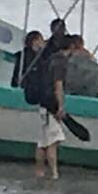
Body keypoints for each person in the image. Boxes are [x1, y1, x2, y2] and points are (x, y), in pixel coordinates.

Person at [33, 33, 69, 179]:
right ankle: (54, 172)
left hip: (43, 105)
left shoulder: (49, 60)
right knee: (53, 141)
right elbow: (58, 86)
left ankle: (39, 170)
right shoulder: (60, 62)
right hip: (51, 107)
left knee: (43, 141)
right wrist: (60, 107)